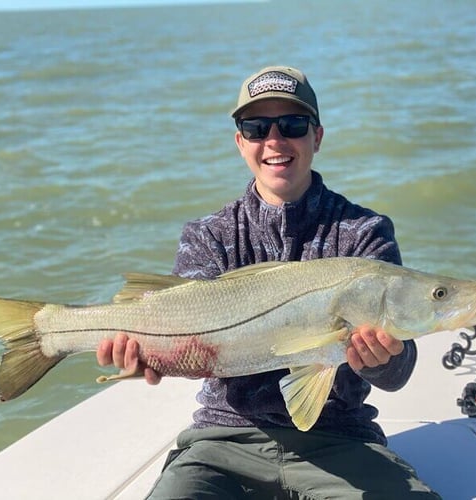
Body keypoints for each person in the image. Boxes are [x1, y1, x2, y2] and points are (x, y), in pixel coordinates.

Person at [97, 66, 441, 499]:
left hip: (341, 440)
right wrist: (153, 356)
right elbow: (196, 351)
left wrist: (377, 359)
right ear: (241, 143)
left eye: (293, 125)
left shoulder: (363, 232)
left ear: (316, 137)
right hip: (222, 441)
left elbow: (399, 372)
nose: (275, 141)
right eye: (256, 127)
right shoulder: (209, 235)